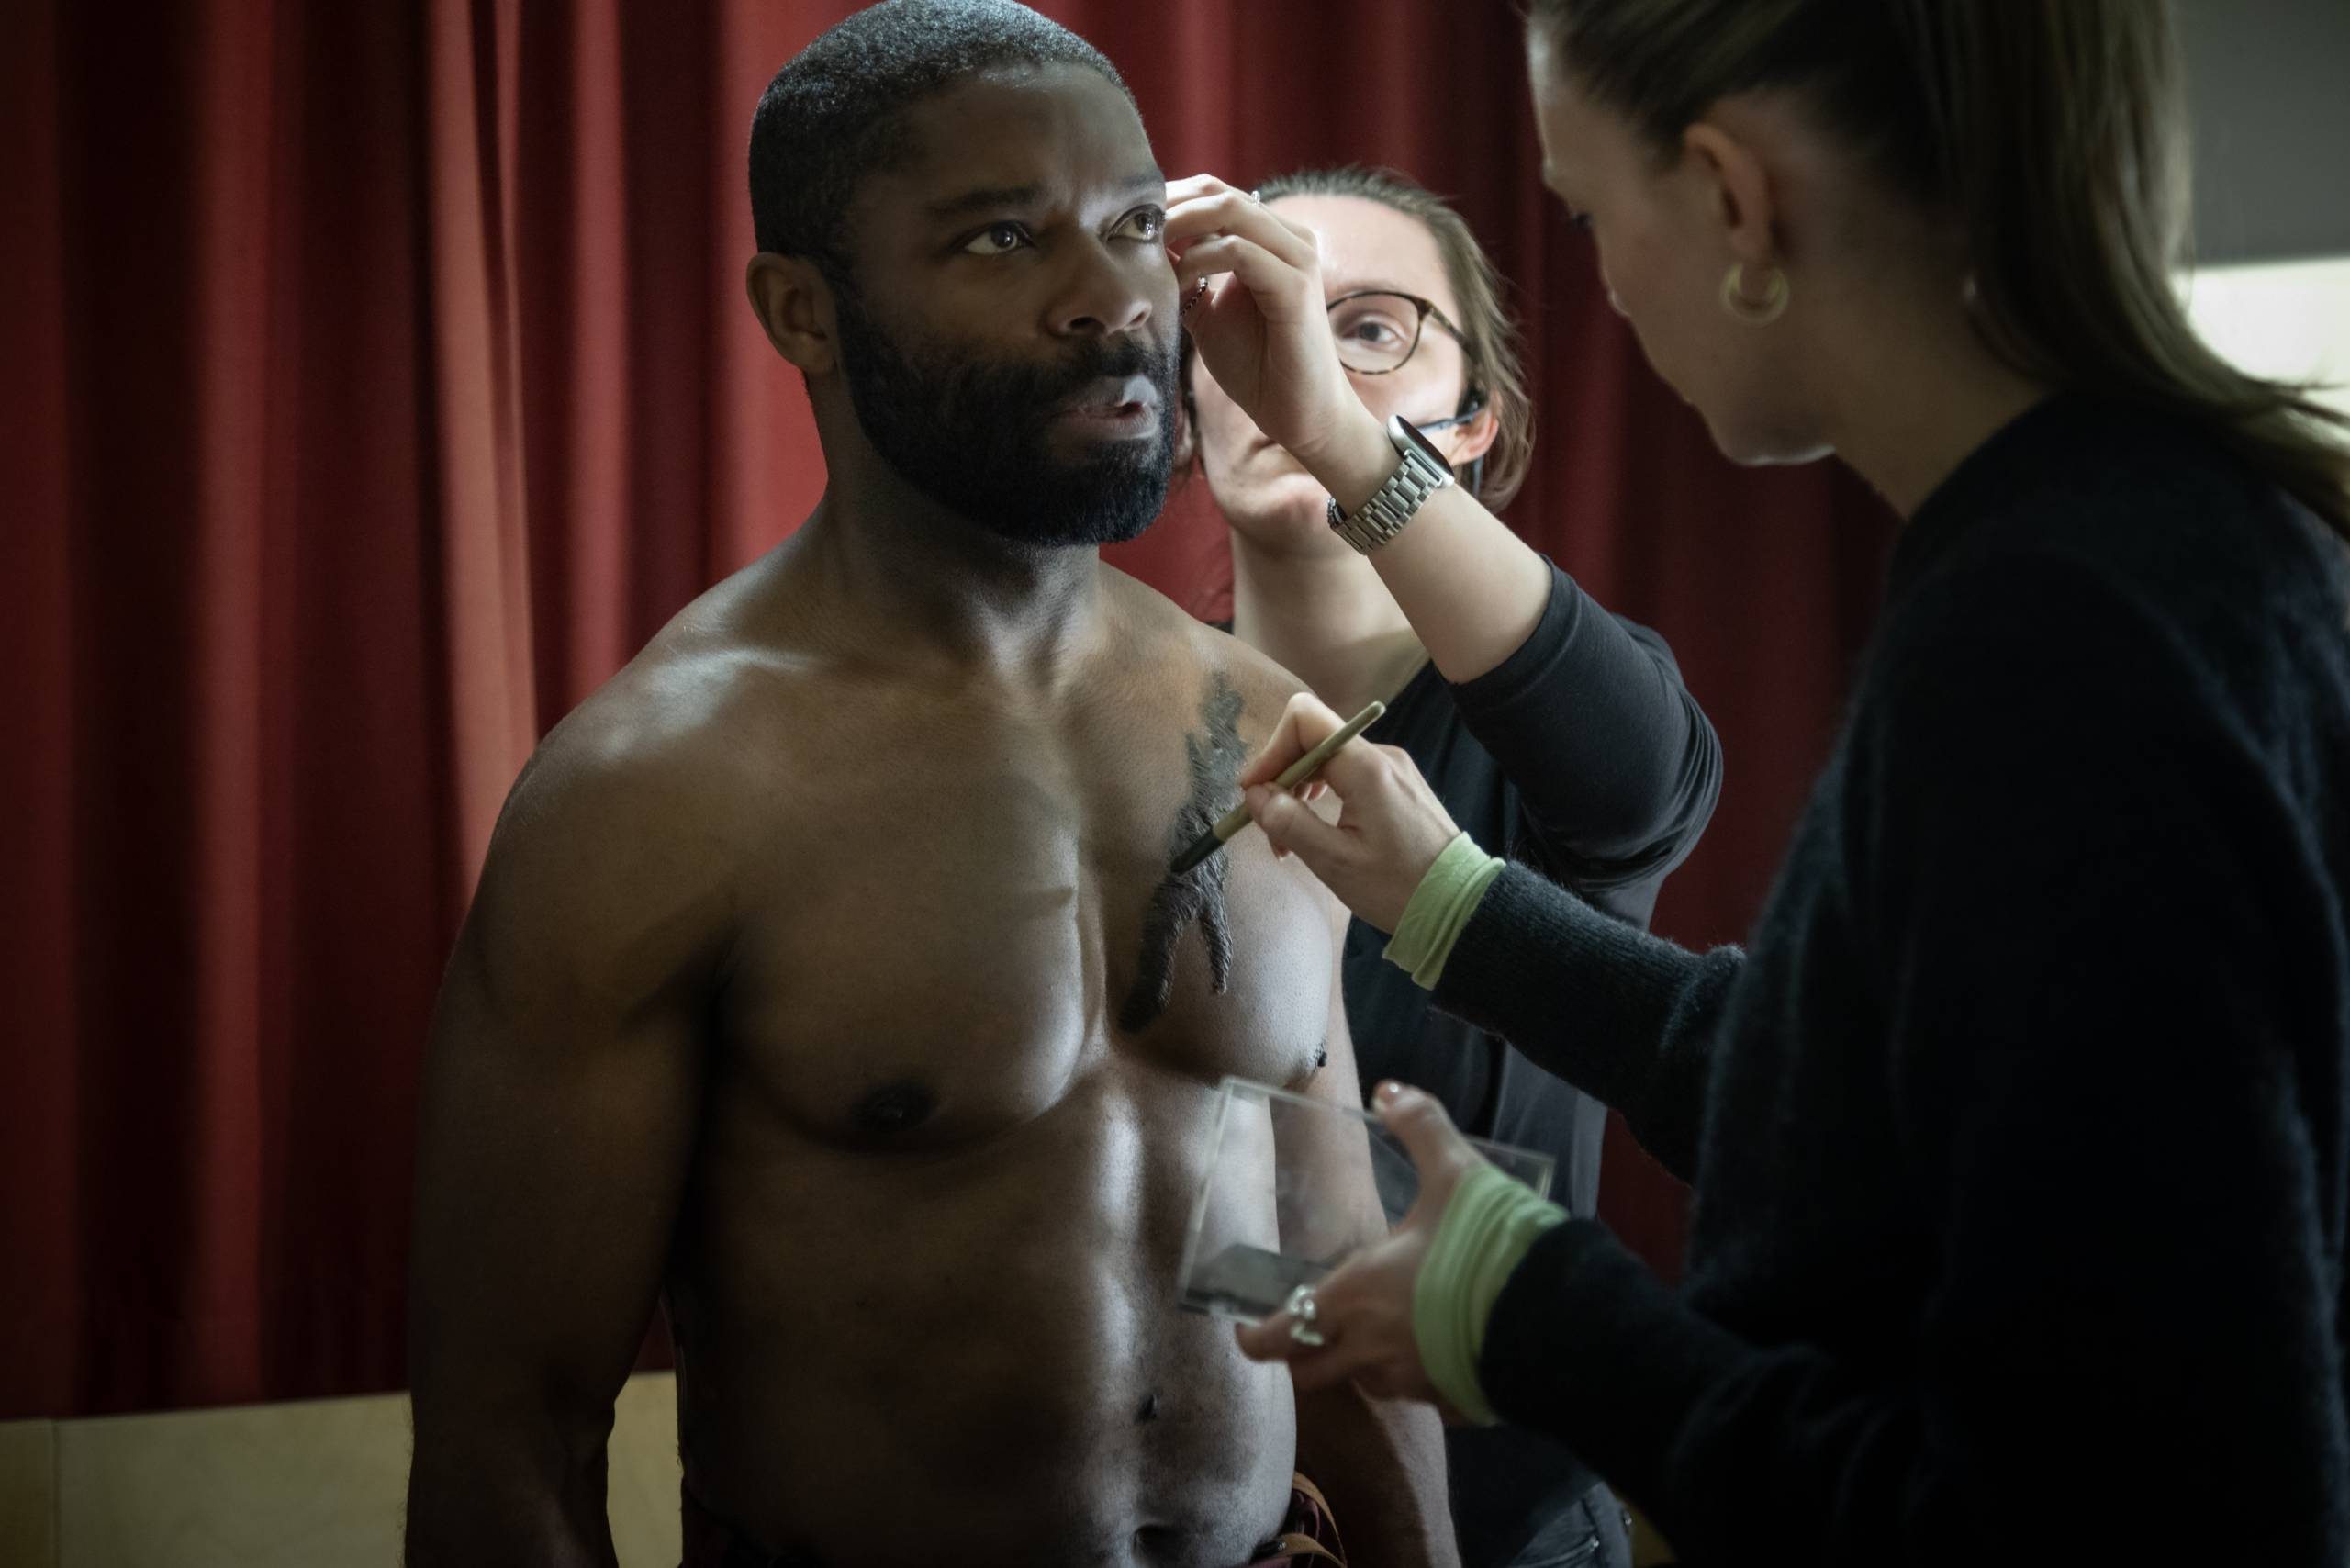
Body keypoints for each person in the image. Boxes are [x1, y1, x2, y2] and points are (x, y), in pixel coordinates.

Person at [1160, 0, 2350, 1561]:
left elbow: (2104, 1503)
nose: (1604, 280)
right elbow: (1855, 1102)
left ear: (1732, 196)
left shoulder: (2060, 632)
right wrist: (1457, 903)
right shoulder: (2134, 556)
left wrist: (1537, 1311)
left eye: (1586, 209)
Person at [401, 5, 1458, 1564]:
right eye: (999, 241)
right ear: (803, 312)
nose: (1109, 301)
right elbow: (516, 1437)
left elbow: (1315, 1287)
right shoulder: (662, 791)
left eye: (1127, 227)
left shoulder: (1253, 728)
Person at [1185, 165, 1718, 1568]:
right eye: (1256, 314)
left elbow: (1640, 761)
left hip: (1509, 1532)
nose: (1298, 355)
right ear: (1189, 398)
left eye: (1369, 328)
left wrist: (1345, 440)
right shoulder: (1117, 720)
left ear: (1473, 419)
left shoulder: (1571, 737)